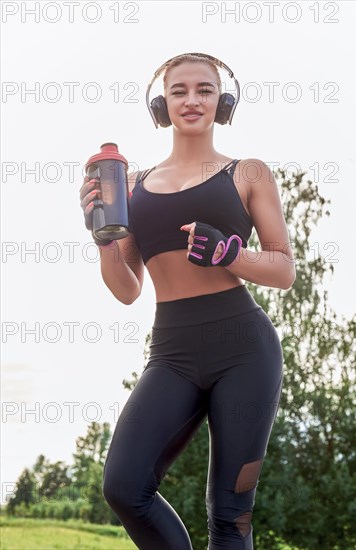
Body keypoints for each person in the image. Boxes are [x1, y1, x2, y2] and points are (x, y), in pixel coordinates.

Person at [79, 52, 296, 550]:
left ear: (223, 101)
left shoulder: (249, 173)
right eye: (179, 91)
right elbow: (126, 288)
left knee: (230, 515)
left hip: (245, 348)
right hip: (172, 352)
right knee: (124, 486)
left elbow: (283, 269)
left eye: (205, 89)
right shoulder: (130, 187)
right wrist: (103, 238)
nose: (192, 99)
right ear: (162, 104)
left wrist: (229, 253)